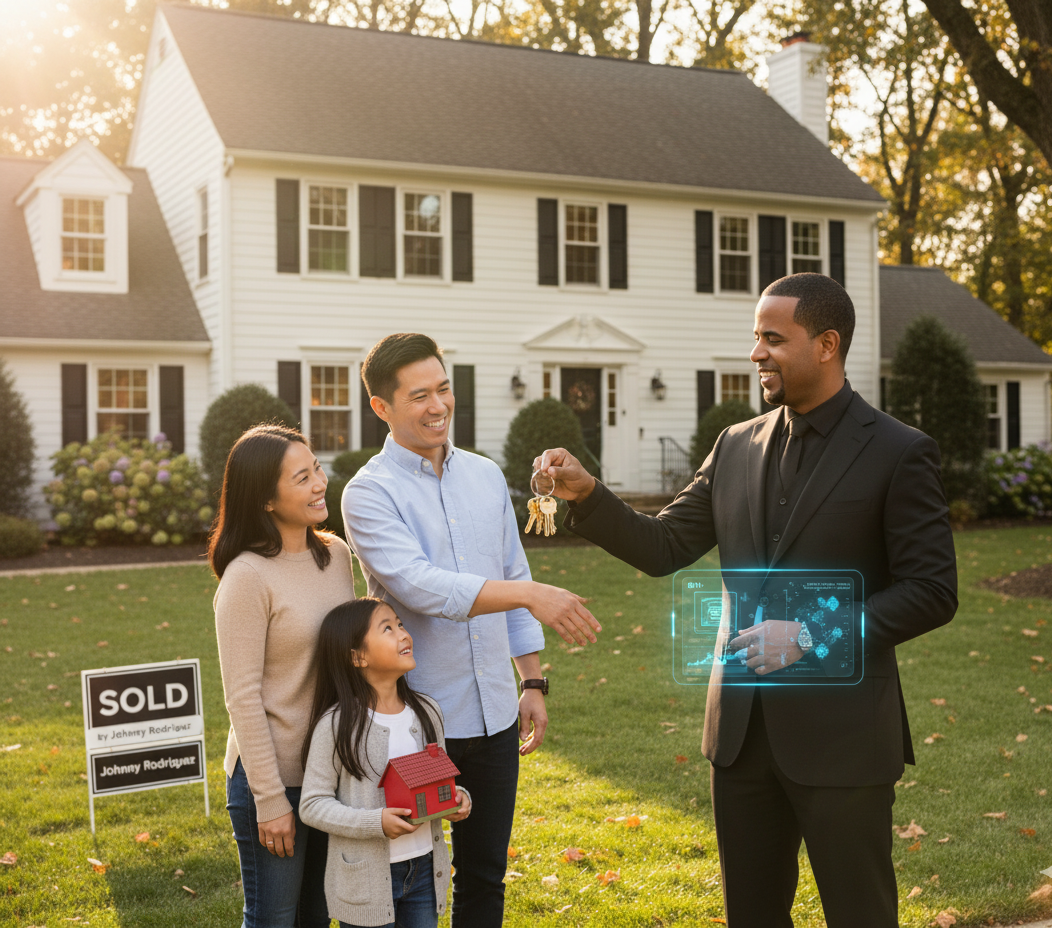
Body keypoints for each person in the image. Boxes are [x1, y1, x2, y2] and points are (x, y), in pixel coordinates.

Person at [536, 273, 958, 928]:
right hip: (740, 739)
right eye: (754, 337)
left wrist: (810, 635)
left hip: (843, 740)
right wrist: (589, 494)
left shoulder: (899, 452)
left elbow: (931, 591)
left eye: (771, 338)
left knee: (861, 916)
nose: (756, 353)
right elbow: (664, 546)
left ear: (826, 344)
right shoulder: (736, 444)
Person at [341, 333, 600, 928]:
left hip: (496, 717)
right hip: (420, 725)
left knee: (485, 876)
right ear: (382, 407)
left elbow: (511, 570)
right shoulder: (369, 492)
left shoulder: (484, 476)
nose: (438, 406)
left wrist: (531, 682)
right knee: (411, 882)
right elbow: (421, 587)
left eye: (444, 389)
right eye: (418, 397)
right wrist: (532, 596)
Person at [211, 424, 356, 928]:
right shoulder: (247, 576)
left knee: (318, 915)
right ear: (267, 500)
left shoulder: (335, 555)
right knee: (274, 918)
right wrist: (271, 802)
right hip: (272, 778)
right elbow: (243, 698)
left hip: (328, 774)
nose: (320, 483)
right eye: (302, 477)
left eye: (316, 468)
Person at [299, 597, 472, 928]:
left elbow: (437, 779)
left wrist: (456, 797)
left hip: (424, 869)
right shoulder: (336, 726)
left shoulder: (427, 712)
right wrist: (375, 822)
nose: (403, 634)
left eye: (401, 624)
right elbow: (312, 805)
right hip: (366, 881)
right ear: (358, 656)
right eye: (388, 628)